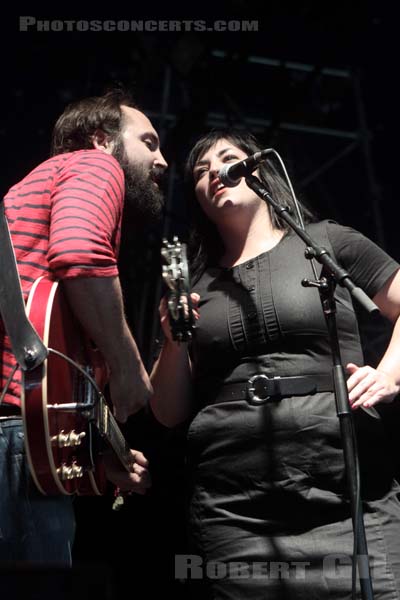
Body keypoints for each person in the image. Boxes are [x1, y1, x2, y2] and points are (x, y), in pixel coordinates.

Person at [150, 129, 400, 599]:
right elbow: (167, 412)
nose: (213, 174)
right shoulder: (194, 283)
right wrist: (172, 340)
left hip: (348, 496)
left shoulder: (327, 243)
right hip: (234, 510)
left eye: (226, 159)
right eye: (200, 173)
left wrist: (387, 374)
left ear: (258, 169)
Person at [0, 89, 168, 563]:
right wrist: (130, 365)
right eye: (150, 143)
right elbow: (79, 252)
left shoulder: (37, 191)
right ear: (100, 139)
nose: (163, 161)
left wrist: (97, 462)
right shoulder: (97, 166)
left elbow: (53, 366)